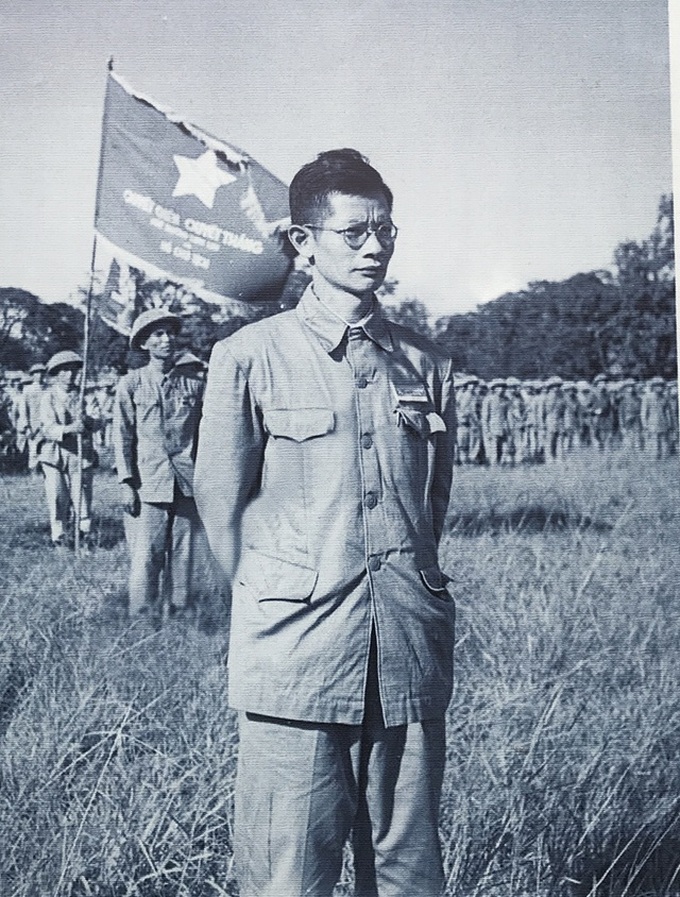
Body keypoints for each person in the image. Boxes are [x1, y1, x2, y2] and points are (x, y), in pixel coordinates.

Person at [194, 148, 456, 897]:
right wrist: (287, 593)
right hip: (296, 664)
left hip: (406, 650)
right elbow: (223, 511)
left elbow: (431, 506)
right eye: (353, 233)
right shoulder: (248, 356)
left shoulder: (427, 365)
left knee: (409, 874)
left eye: (386, 230)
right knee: (289, 875)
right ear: (302, 244)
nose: (375, 246)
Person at [113, 308, 205, 625]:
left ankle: (180, 615)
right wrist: (126, 481)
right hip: (147, 483)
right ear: (143, 344)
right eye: (158, 334)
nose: (167, 339)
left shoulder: (194, 386)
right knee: (147, 556)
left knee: (183, 554)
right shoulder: (131, 384)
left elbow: (204, 433)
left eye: (170, 333)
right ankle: (142, 618)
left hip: (187, 481)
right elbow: (122, 435)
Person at [38, 351, 99, 548]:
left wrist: (88, 421)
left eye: (73, 371)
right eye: (65, 371)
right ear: (56, 374)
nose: (70, 375)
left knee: (82, 497)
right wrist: (69, 429)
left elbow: (99, 421)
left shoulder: (86, 396)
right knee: (57, 496)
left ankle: (85, 537)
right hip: (54, 455)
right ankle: (60, 538)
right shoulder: (48, 397)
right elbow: (47, 428)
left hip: (81, 456)